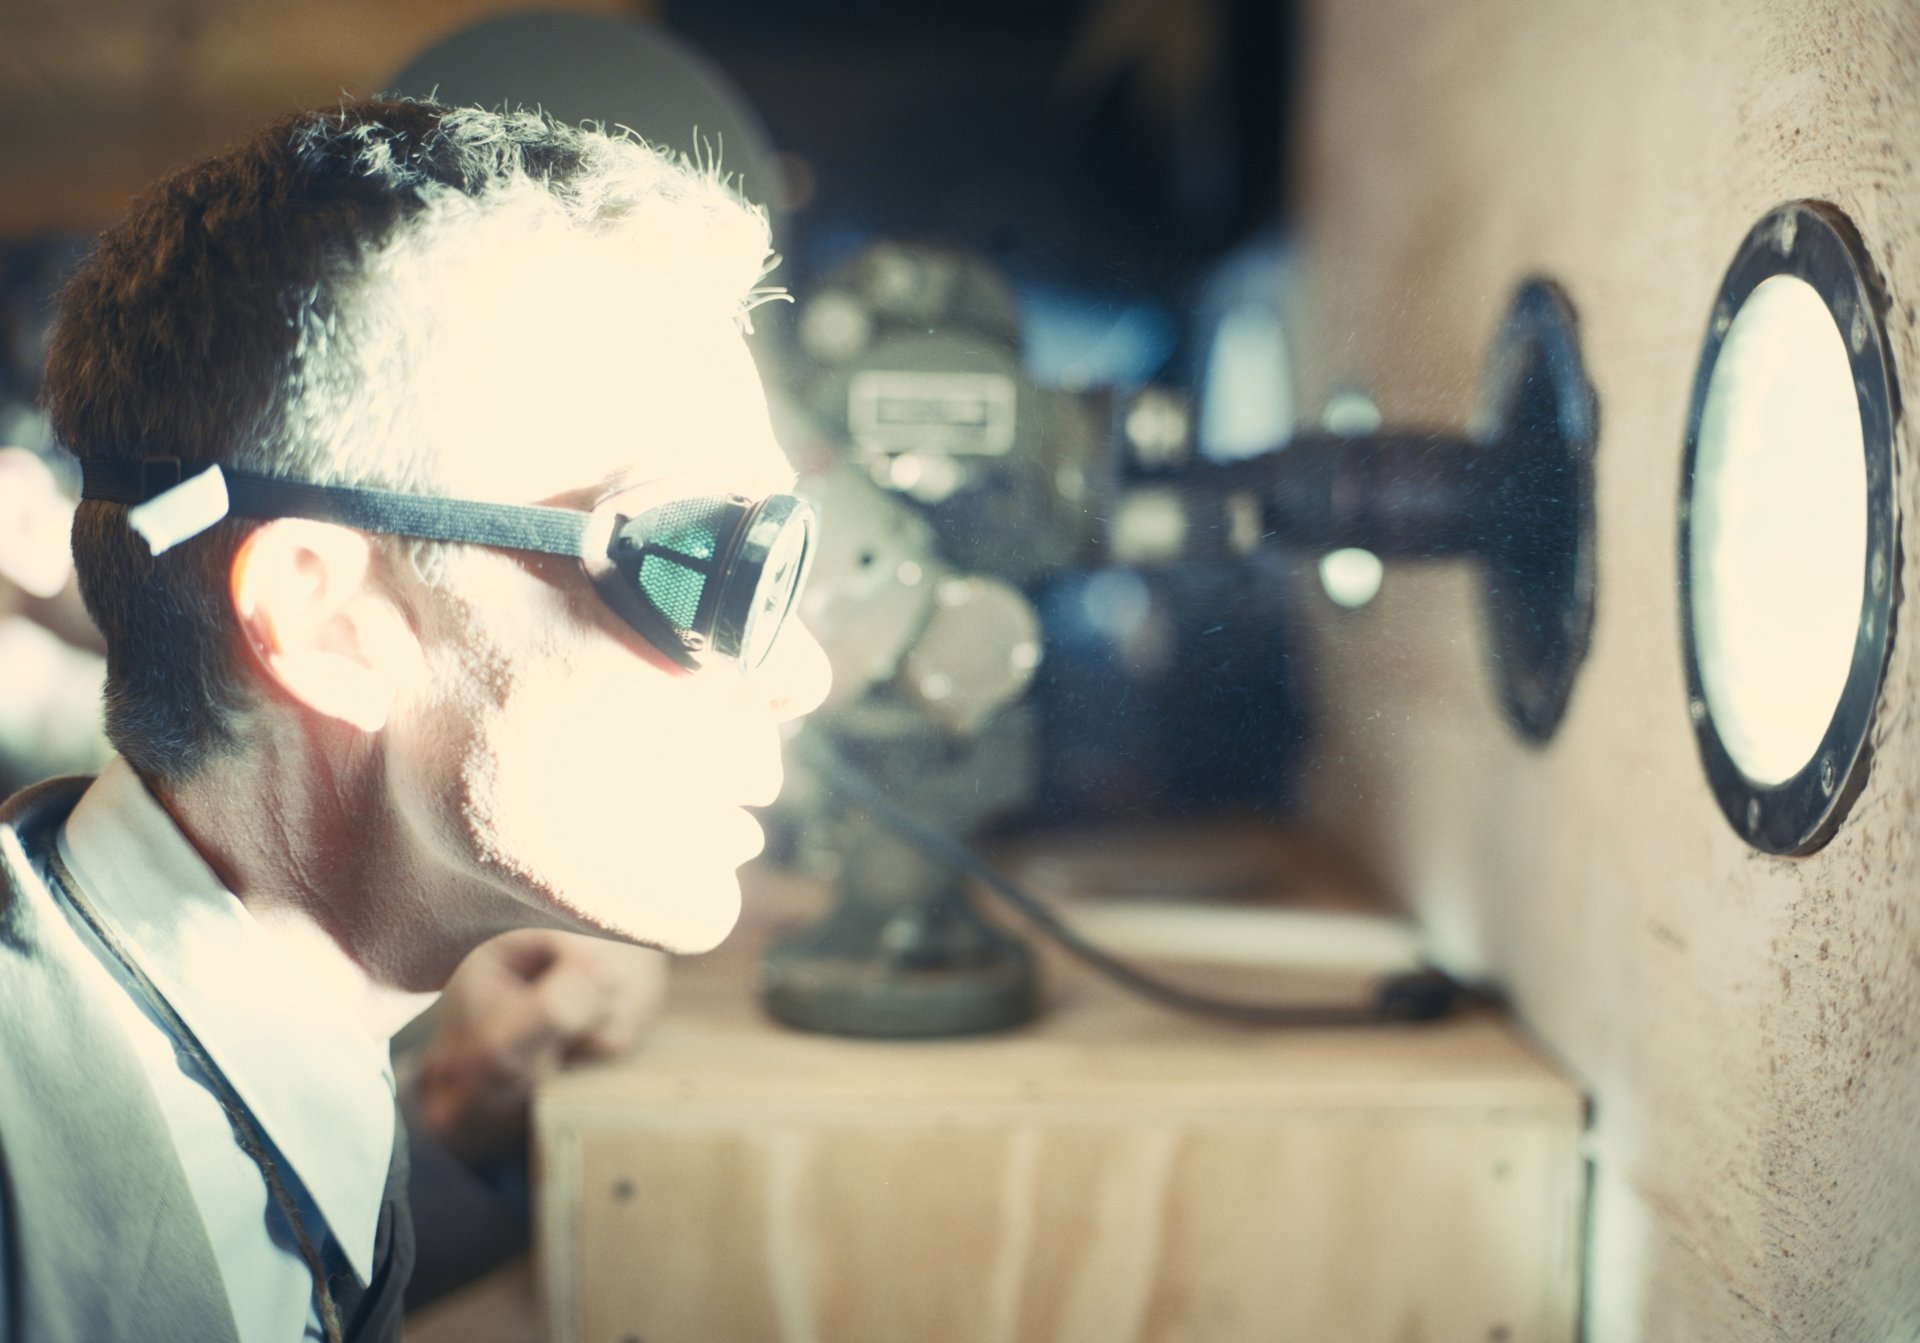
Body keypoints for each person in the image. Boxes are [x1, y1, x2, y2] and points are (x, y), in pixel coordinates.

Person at [0, 96, 830, 1343]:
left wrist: (454, 1128)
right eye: (695, 562)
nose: (800, 670)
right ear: (329, 624)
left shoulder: (215, 1050)